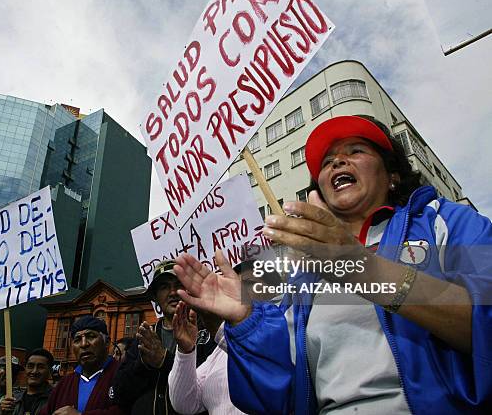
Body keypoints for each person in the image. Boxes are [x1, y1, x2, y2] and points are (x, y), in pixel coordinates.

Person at [173, 115, 492, 414]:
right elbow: (280, 396)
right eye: (327, 161)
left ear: (393, 174)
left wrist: (362, 268)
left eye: (356, 150)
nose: (338, 161)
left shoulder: (447, 222)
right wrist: (247, 322)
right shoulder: (303, 277)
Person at [167, 259, 281, 415]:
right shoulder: (218, 351)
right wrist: (185, 351)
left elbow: (270, 376)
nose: (238, 293)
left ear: (274, 291)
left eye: (248, 284)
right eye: (233, 286)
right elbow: (185, 404)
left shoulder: (290, 332)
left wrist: (217, 328)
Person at [112, 260, 215, 415]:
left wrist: (164, 360)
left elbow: (212, 385)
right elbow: (119, 395)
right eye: (164, 287)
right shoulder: (144, 338)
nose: (172, 292)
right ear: (155, 297)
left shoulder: (208, 334)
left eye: (179, 284)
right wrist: (143, 364)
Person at [40, 316, 122, 415]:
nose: (83, 344)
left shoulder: (123, 374)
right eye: (77, 339)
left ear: (107, 342)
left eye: (91, 336)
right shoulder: (65, 383)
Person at [0, 349, 53, 415]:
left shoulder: (55, 399)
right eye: (30, 366)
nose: (34, 371)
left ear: (50, 371)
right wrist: (2, 413)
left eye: (41, 367)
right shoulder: (13, 398)